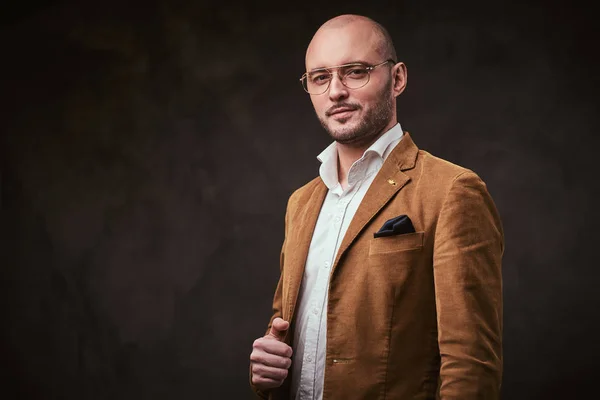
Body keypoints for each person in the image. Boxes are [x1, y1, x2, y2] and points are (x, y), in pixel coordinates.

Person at [249, 14, 504, 400]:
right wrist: (269, 366)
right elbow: (285, 328)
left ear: (397, 78)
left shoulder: (452, 190)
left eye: (355, 72)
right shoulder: (301, 202)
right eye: (320, 78)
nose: (335, 91)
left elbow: (471, 366)